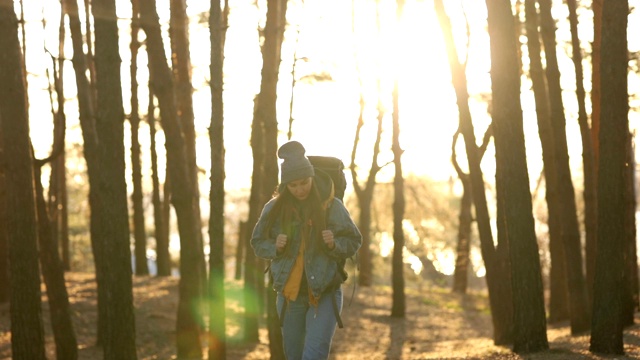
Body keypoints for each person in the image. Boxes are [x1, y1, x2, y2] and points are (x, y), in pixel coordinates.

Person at [251, 141, 362, 360]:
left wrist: (334, 244)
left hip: (325, 294)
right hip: (289, 297)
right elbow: (257, 242)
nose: (300, 189)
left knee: (313, 355)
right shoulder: (274, 208)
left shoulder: (332, 206)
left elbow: (354, 240)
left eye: (304, 182)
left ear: (311, 177)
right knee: (294, 356)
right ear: (285, 185)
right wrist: (275, 247)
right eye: (293, 185)